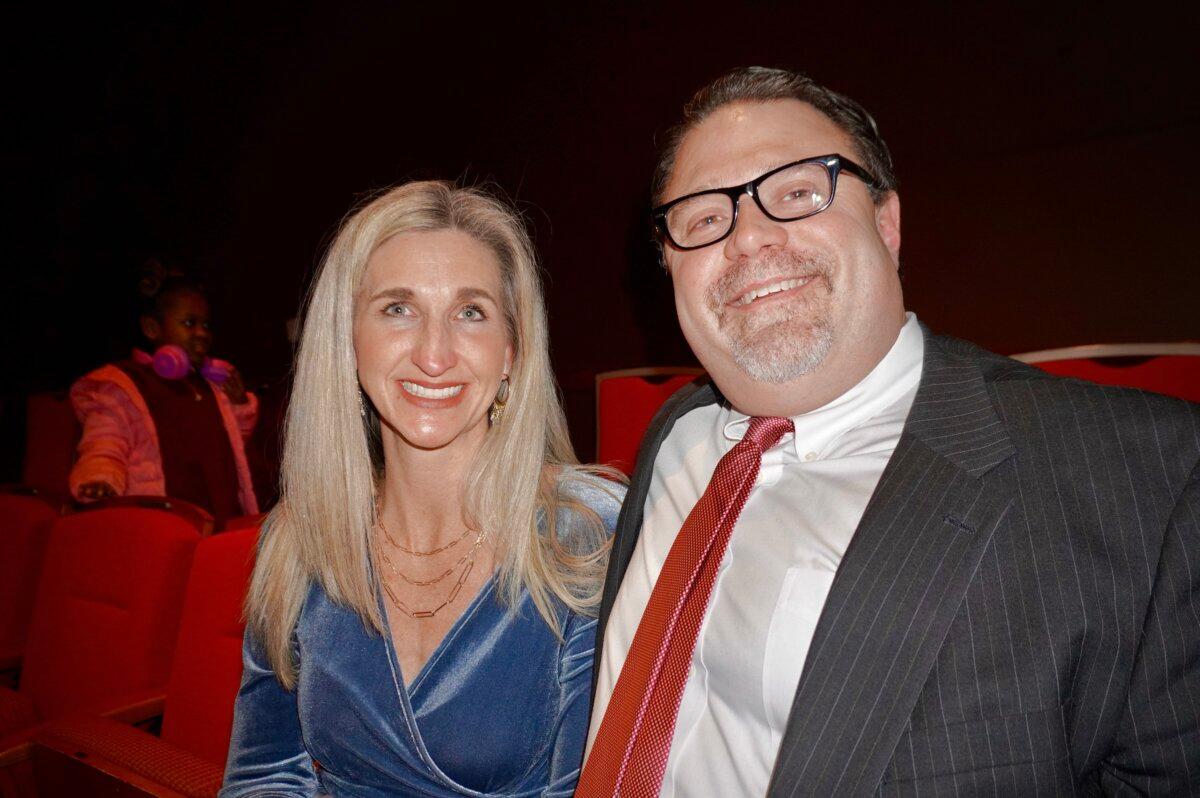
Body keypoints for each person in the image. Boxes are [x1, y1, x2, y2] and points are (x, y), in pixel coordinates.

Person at [579, 67, 1200, 797]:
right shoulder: (677, 434)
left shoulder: (1144, 477)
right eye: (704, 219)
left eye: (798, 191)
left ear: (887, 223)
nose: (749, 238)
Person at [220, 181, 624, 797]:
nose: (434, 354)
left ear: (511, 351)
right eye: (397, 309)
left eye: (470, 312)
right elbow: (263, 776)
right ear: (347, 341)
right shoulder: (300, 538)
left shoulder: (586, 536)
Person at [69, 276, 259, 526]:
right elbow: (104, 444)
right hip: (165, 523)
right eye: (190, 323)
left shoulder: (209, 384)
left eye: (207, 325)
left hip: (220, 521)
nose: (202, 333)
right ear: (152, 328)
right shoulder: (125, 385)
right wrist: (99, 479)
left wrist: (238, 403)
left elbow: (231, 445)